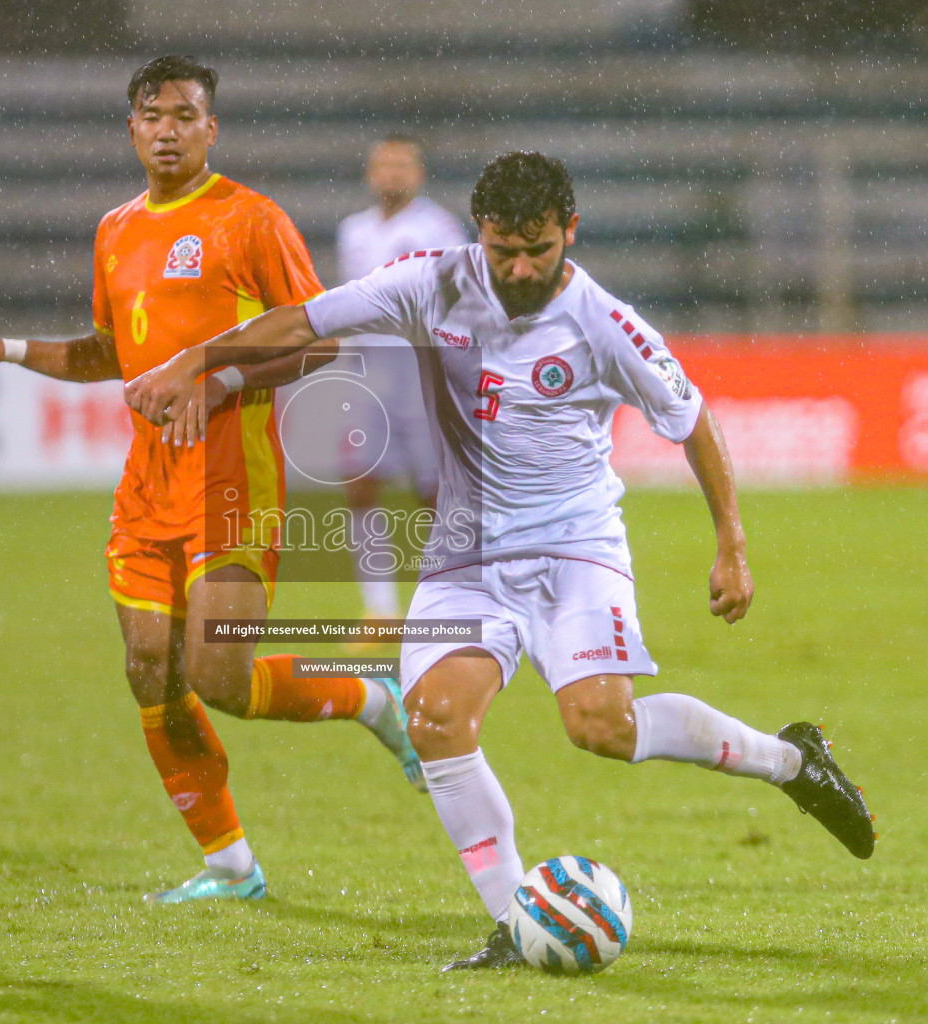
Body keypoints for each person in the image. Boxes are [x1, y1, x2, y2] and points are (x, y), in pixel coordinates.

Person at [126, 151, 877, 969]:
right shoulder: (432, 281)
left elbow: (692, 421)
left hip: (573, 546)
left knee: (603, 727)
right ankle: (514, 925)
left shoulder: (604, 323)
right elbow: (304, 321)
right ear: (479, 233)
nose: (519, 267)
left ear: (570, 233)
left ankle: (792, 760)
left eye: (539, 249)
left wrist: (731, 545)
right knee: (438, 720)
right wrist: (191, 360)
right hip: (466, 551)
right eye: (503, 248)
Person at [0, 55, 424, 906]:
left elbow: (325, 342)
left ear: (211, 128)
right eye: (152, 115)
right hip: (148, 483)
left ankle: (369, 700)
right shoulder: (115, 230)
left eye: (184, 115)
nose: (168, 129)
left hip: (235, 479)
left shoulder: (251, 220)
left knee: (219, 679)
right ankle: (231, 864)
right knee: (147, 665)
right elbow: (109, 356)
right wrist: (8, 349)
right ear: (131, 129)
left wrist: (220, 379)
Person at [334, 136, 467, 631]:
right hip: (368, 378)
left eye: (402, 165)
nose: (392, 174)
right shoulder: (353, 232)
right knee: (361, 486)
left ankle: (444, 600)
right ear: (370, 174)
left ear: (419, 174)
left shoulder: (439, 228)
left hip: (421, 376)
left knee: (433, 493)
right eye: (383, 165)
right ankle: (379, 611)